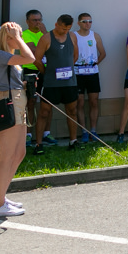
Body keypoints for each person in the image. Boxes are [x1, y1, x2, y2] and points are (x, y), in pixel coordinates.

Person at [0, 22, 35, 217]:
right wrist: (20, 39)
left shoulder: (6, 57)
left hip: (17, 99)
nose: (19, 39)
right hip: (9, 101)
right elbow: (30, 58)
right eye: (16, 35)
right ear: (8, 37)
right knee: (6, 156)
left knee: (19, 152)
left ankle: (1, 197)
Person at [32, 15, 80, 154]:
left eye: (68, 29)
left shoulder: (72, 36)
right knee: (44, 112)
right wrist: (46, 72)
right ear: (56, 24)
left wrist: (68, 67)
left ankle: (73, 141)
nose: (65, 31)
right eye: (63, 28)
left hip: (69, 82)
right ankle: (39, 144)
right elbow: (37, 60)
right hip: (51, 83)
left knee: (72, 111)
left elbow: (75, 55)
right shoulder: (46, 38)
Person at [74, 13, 106, 142]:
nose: (87, 24)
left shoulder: (95, 35)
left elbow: (103, 53)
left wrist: (96, 62)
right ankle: (84, 131)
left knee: (94, 102)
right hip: (78, 73)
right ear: (79, 23)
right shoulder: (73, 36)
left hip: (92, 73)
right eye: (84, 21)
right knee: (80, 103)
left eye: (90, 21)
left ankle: (93, 130)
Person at [21, 10, 46, 145]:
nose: (38, 23)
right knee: (30, 102)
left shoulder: (46, 35)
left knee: (47, 103)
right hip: (30, 71)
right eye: (34, 20)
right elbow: (35, 52)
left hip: (46, 71)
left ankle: (46, 133)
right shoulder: (25, 34)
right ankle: (28, 134)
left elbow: (54, 49)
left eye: (39, 20)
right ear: (27, 22)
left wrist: (46, 33)